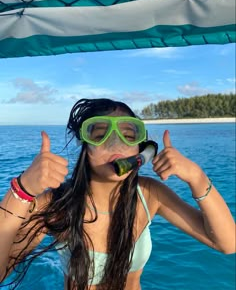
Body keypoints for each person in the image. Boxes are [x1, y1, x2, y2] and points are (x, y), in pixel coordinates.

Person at [0, 98, 235, 290]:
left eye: (129, 135)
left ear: (140, 149)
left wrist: (197, 176)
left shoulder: (149, 194)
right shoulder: (57, 205)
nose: (116, 143)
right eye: (100, 133)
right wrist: (22, 190)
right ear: (85, 146)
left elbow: (227, 243)